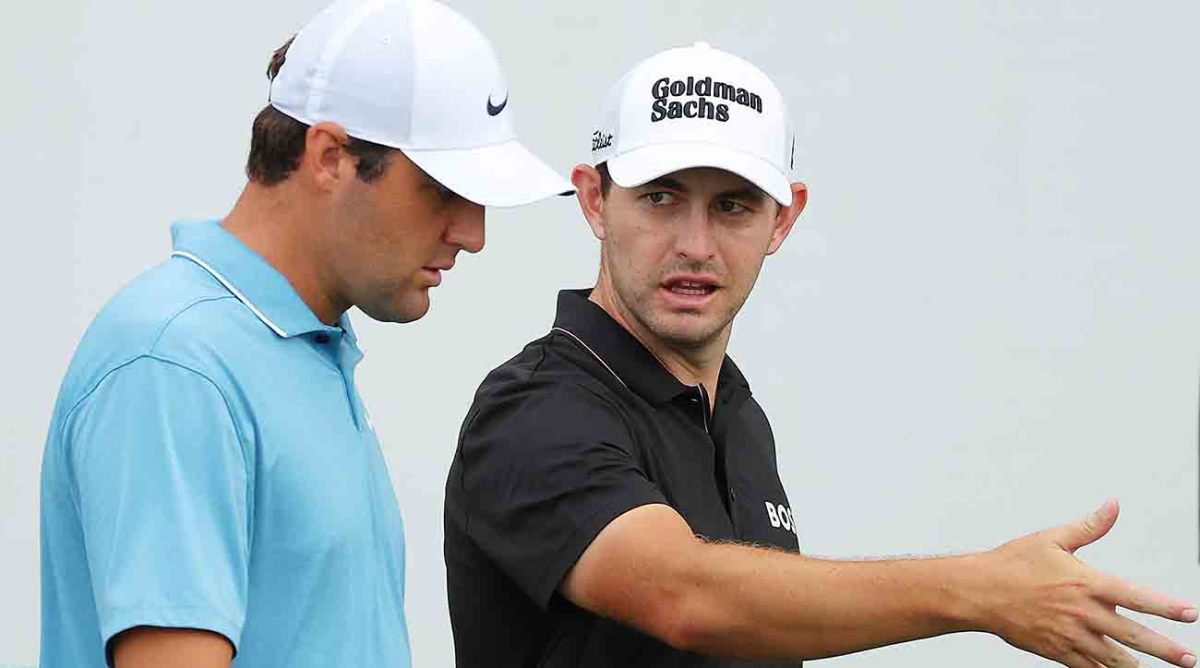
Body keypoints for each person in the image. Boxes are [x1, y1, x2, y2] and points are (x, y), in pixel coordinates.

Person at [443, 42, 1196, 668]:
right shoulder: (534, 410)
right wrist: (982, 591)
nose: (695, 245)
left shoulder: (733, 413)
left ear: (784, 220)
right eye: (661, 197)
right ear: (593, 201)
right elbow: (687, 597)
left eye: (733, 205)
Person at [39, 0, 571, 666]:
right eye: (444, 187)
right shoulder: (176, 364)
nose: (473, 234)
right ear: (329, 157)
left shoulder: (291, 350)